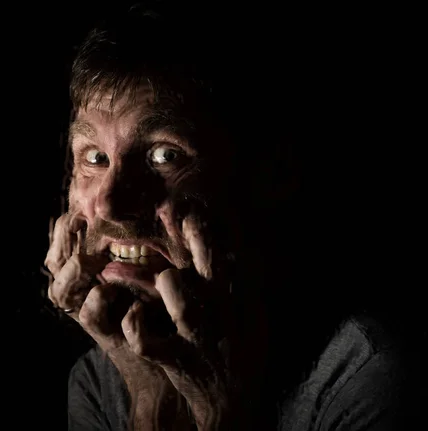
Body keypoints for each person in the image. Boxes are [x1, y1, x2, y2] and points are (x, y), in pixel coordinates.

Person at [44, 2, 417, 429]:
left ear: (271, 173)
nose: (109, 204)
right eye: (95, 157)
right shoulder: (96, 382)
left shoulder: (368, 379)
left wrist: (218, 412)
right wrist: (145, 387)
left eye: (164, 155)